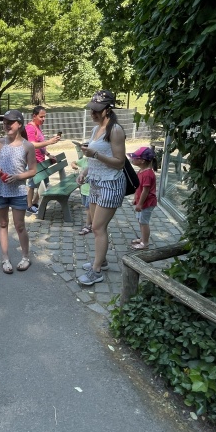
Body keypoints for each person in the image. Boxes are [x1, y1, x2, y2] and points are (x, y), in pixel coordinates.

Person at [77, 90, 126, 286]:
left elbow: (120, 163)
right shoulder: (96, 129)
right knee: (97, 227)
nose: (93, 113)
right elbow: (94, 160)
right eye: (92, 109)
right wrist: (84, 172)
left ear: (108, 109)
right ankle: (101, 261)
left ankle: (96, 271)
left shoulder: (115, 130)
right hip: (96, 182)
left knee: (97, 227)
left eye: (97, 110)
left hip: (111, 184)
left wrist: (95, 154)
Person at [0, 109, 37, 274]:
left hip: (19, 191)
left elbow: (33, 171)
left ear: (19, 124)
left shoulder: (27, 146)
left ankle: (25, 257)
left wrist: (17, 176)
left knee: (19, 225)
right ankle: (5, 258)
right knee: (3, 224)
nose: (6, 125)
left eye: (10, 122)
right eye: (4, 122)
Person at [25, 107, 60, 214]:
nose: (43, 119)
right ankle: (29, 206)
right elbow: (32, 144)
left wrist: (48, 155)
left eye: (45, 116)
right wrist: (49, 142)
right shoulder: (30, 128)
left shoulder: (38, 127)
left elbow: (41, 146)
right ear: (34, 116)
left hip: (41, 161)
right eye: (41, 117)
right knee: (31, 185)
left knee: (44, 183)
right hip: (33, 161)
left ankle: (35, 203)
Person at [129, 146, 158, 250]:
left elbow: (145, 191)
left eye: (134, 157)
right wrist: (135, 199)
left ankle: (145, 243)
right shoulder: (141, 171)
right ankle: (142, 238)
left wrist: (140, 204)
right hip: (142, 202)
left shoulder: (147, 174)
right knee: (140, 221)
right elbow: (139, 188)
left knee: (144, 222)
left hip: (147, 203)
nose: (132, 159)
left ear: (142, 161)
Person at [71, 154, 92, 233]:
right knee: (87, 207)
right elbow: (74, 162)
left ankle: (88, 225)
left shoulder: (95, 161)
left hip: (91, 190)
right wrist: (74, 165)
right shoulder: (84, 160)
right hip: (83, 189)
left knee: (88, 208)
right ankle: (92, 222)